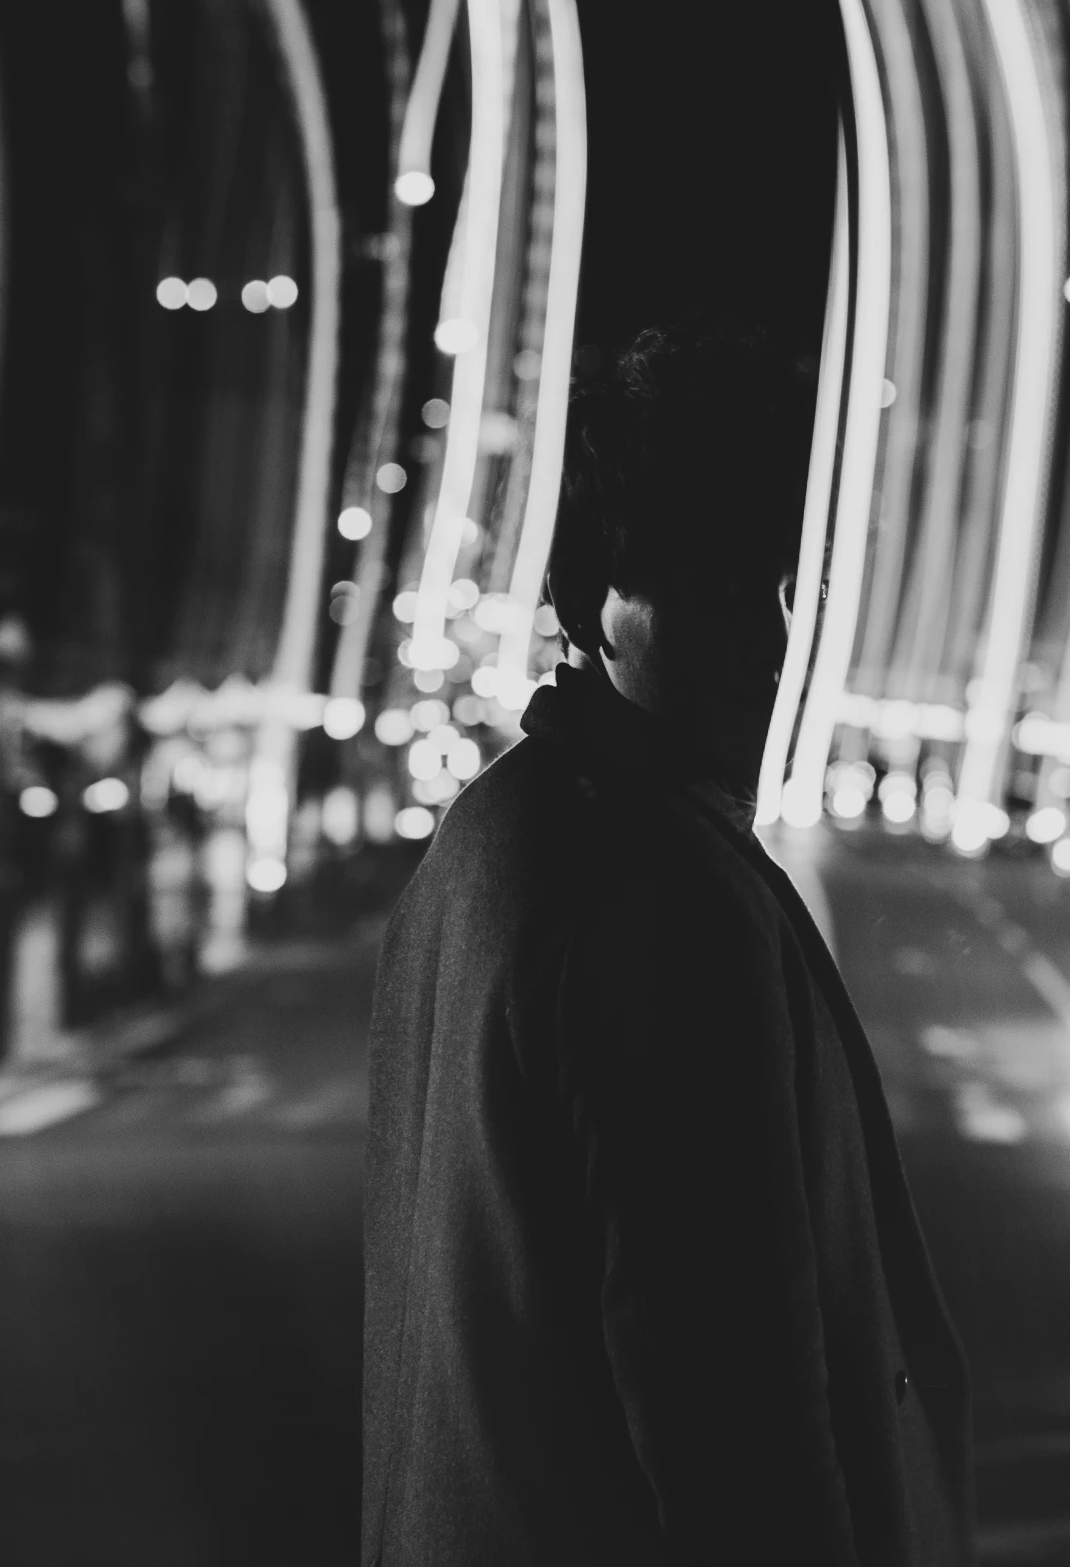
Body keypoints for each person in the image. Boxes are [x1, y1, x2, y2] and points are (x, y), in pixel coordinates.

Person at [362, 326, 973, 1565]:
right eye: (715, 583)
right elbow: (740, 1436)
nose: (768, 639)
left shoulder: (488, 840)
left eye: (781, 584)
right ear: (602, 604)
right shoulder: (655, 899)